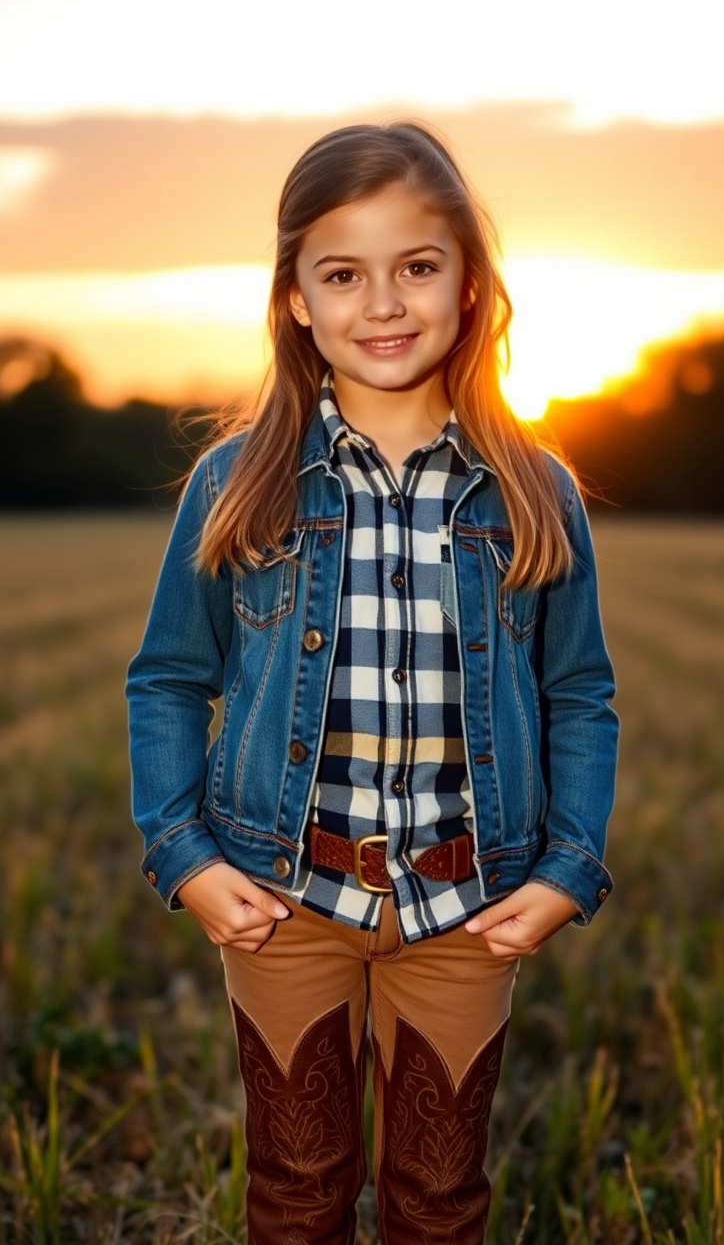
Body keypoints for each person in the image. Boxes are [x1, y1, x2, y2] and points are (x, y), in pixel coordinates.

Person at [126, 120, 619, 1245]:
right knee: (296, 1190)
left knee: (440, 1199)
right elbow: (166, 679)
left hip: (467, 906)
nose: (383, 304)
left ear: (470, 286)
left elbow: (579, 692)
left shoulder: (532, 491)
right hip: (283, 902)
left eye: (418, 267)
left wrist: (567, 869)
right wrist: (185, 857)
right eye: (343, 273)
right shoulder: (235, 482)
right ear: (296, 296)